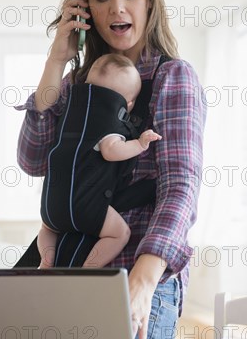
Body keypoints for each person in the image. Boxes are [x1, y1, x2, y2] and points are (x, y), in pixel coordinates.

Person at [15, 0, 206, 339]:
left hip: (139, 271)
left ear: (149, 2)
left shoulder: (173, 78)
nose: (117, 7)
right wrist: (55, 61)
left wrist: (144, 278)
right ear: (86, 11)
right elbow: (31, 160)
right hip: (70, 269)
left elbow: (180, 186)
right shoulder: (73, 86)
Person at [37, 53, 162, 268]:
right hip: (85, 207)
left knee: (47, 229)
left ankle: (47, 260)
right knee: (120, 234)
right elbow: (111, 151)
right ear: (128, 104)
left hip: (51, 206)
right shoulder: (107, 123)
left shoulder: (70, 115)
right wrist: (140, 144)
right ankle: (89, 269)